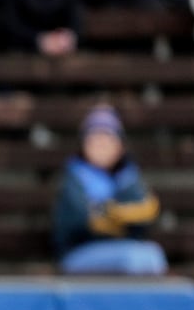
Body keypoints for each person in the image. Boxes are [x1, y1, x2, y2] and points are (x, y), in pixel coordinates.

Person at [52, 104, 168, 276]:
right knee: (136, 260)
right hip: (79, 252)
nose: (101, 145)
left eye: (107, 138)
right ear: (84, 145)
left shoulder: (128, 178)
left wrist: (118, 214)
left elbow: (143, 221)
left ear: (120, 145)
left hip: (125, 248)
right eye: (94, 139)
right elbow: (76, 222)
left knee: (152, 256)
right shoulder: (75, 177)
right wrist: (114, 216)